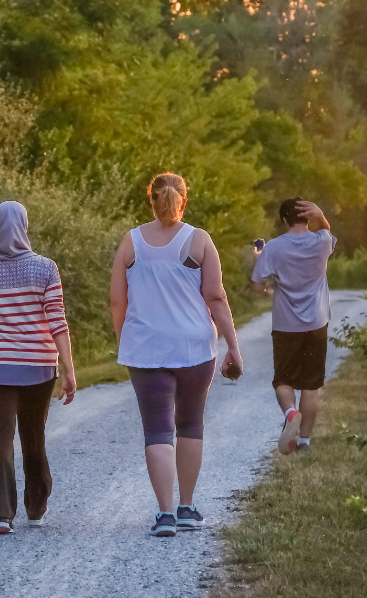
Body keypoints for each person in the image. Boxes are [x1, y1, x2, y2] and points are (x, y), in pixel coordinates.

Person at [111, 172, 245, 537]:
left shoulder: (131, 242)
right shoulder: (199, 240)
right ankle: (186, 508)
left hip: (145, 348)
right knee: (189, 425)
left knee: (157, 430)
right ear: (183, 199)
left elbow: (117, 300)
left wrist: (127, 338)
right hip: (194, 347)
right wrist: (233, 345)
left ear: (150, 200)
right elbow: (215, 297)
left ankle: (165, 514)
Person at [0, 201, 77, 535]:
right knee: (33, 434)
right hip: (38, 366)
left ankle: (1, 515)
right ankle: (36, 507)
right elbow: (57, 322)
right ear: (25, 226)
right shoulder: (46, 269)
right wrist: (69, 369)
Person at [251, 198, 336, 454]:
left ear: (284, 220)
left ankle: (290, 413)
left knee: (284, 380)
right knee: (311, 384)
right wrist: (321, 216)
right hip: (317, 323)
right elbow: (328, 231)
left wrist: (262, 263)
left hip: (286, 325)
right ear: (307, 218)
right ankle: (304, 442)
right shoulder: (322, 242)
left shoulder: (273, 248)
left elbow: (258, 288)